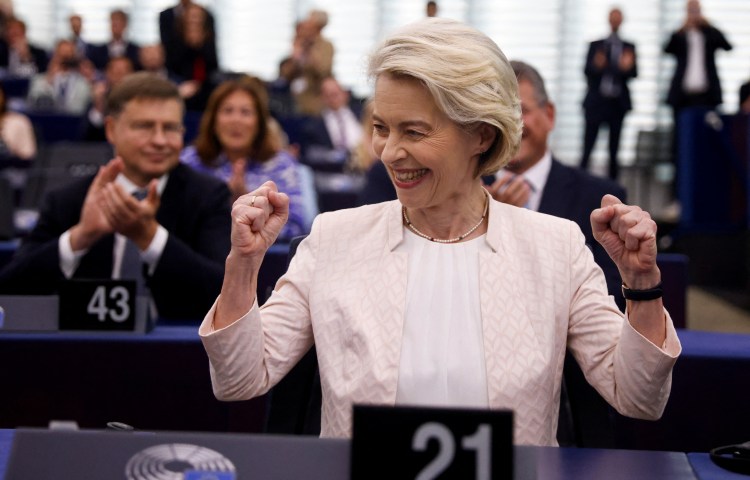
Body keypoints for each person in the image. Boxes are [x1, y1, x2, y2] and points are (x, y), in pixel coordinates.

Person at [199, 18, 680, 446]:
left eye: (414, 131)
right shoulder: (333, 239)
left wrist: (642, 285)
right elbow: (240, 380)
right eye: (381, 127)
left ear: (481, 135)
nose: (388, 152)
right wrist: (243, 265)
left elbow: (637, 398)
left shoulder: (555, 246)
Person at [0, 72, 232, 320]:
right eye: (144, 126)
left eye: (171, 128)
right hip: (82, 352)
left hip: (175, 354)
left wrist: (150, 238)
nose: (160, 140)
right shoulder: (68, 200)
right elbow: (11, 288)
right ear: (111, 129)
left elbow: (225, 294)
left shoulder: (208, 197)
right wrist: (80, 237)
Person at [486, 60, 627, 309]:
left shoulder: (599, 198)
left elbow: (613, 299)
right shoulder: (458, 193)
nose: (509, 126)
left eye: (519, 111)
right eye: (496, 114)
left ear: (549, 115)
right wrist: (488, 225)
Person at [180, 76, 315, 240]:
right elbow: (176, 223)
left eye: (245, 112)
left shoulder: (281, 164)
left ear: (259, 123)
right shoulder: (189, 161)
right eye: (227, 111)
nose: (236, 120)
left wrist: (249, 210)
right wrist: (224, 205)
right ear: (213, 120)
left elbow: (297, 228)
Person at [580, 7, 637, 181]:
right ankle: (580, 183)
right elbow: (586, 71)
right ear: (608, 19)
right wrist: (598, 66)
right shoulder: (596, 46)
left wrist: (625, 68)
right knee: (588, 147)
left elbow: (634, 73)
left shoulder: (628, 47)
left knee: (614, 151)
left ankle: (613, 188)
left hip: (617, 105)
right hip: (597, 103)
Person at [26, 39, 92, 114]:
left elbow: (79, 108)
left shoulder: (82, 84)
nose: (64, 59)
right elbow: (33, 103)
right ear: (54, 56)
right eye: (61, 55)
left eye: (68, 55)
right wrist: (49, 80)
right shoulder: (39, 80)